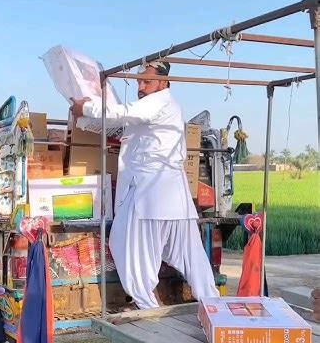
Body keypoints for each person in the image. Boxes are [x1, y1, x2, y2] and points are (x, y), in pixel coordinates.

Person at [71, 60, 219, 310]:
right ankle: (214, 306)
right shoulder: (152, 108)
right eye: (139, 80)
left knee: (128, 249)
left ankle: (149, 309)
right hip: (172, 197)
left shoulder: (161, 101)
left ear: (162, 82)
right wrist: (84, 121)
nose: (141, 85)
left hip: (152, 194)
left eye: (146, 81)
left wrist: (85, 106)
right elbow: (121, 126)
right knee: (191, 257)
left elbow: (120, 113)